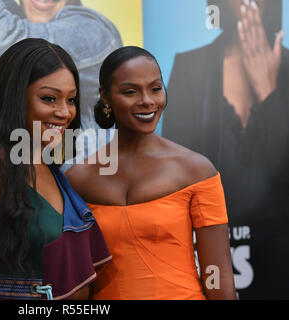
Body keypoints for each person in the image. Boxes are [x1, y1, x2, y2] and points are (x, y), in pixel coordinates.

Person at [0, 38, 111, 300]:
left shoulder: (51, 168)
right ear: (14, 97)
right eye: (49, 98)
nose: (64, 112)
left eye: (71, 100)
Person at [66, 46, 237, 300]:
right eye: (130, 91)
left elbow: (218, 275)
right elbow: (74, 279)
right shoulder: (79, 178)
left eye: (155, 89)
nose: (147, 100)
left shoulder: (196, 170)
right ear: (105, 97)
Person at [162, 0, 288, 298]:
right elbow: (174, 176)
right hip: (207, 249)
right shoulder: (189, 67)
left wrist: (268, 92)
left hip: (279, 256)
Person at [0, 0, 123, 165]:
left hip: (86, 181)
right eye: (49, 98)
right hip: (33, 170)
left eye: (69, 100)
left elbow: (0, 38)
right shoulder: (24, 22)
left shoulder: (90, 30)